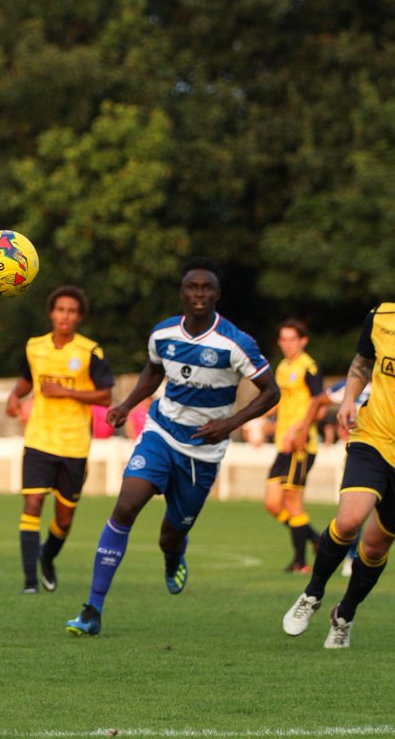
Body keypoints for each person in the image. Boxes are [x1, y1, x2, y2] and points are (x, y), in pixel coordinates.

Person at [64, 258, 279, 637]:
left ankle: (174, 554)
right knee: (126, 505)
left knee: (170, 535)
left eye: (207, 288)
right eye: (192, 287)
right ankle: (92, 609)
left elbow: (271, 392)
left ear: (217, 294)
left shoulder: (235, 342)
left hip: (203, 452)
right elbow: (152, 372)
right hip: (160, 433)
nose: (199, 294)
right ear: (182, 292)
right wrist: (127, 405)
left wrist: (229, 424)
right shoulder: (163, 334)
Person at [281, 252, 395, 649]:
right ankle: (312, 593)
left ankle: (344, 614)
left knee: (374, 545)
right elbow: (361, 363)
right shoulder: (380, 318)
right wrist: (349, 399)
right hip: (372, 438)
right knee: (348, 521)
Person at [5, 285, 114, 594]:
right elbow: (27, 380)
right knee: (33, 502)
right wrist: (15, 395)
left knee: (64, 519)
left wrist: (67, 391)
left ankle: (47, 556)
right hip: (39, 439)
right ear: (51, 313)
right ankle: (29, 583)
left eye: (71, 311)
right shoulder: (34, 347)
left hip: (75, 444)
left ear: (79, 317)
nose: (65, 315)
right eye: (60, 309)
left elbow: (106, 396)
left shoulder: (90, 351)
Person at [302, 381, 395, 580]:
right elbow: (318, 401)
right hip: (363, 458)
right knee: (355, 512)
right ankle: (352, 559)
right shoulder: (352, 385)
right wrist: (303, 428)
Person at [262, 320, 324, 574]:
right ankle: (317, 540)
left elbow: (318, 405)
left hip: (300, 444)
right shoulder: (282, 367)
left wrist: (297, 430)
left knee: (292, 500)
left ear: (303, 340)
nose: (287, 344)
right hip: (282, 444)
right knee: (272, 503)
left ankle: (301, 561)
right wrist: (259, 419)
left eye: (292, 339)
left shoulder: (308, 367)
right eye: (283, 339)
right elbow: (280, 402)